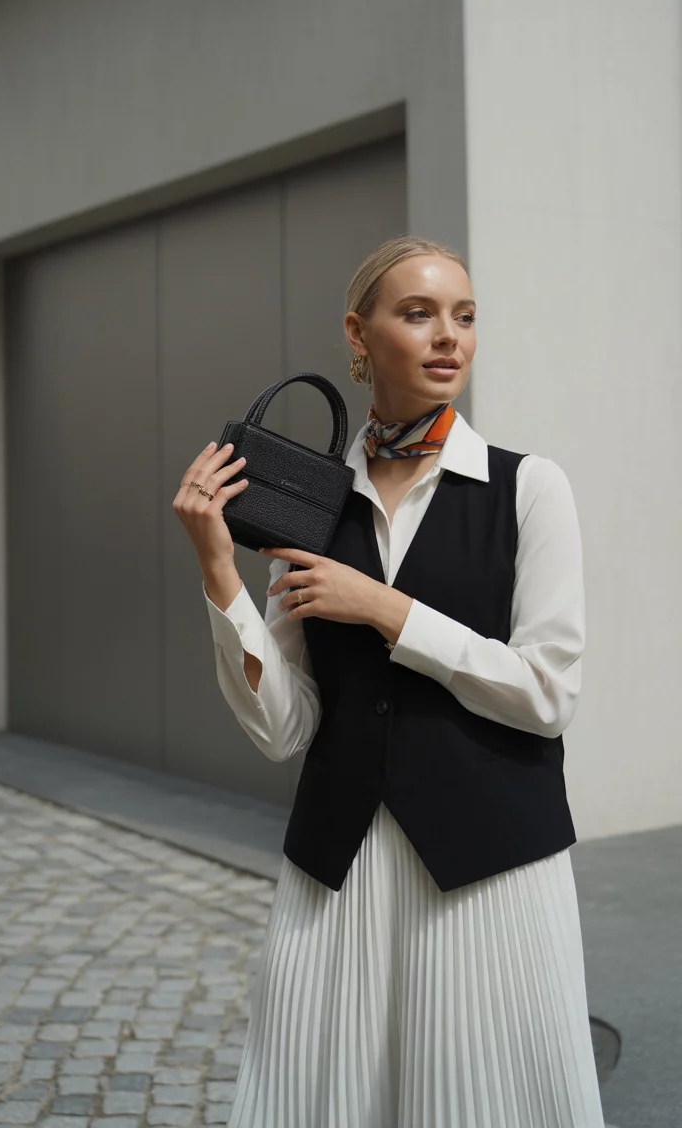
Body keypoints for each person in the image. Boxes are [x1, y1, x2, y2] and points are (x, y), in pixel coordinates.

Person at [173, 236, 605, 1128]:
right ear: (358, 336)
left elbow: (549, 692)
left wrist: (387, 610)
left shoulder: (530, 489)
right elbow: (288, 727)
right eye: (418, 313)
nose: (449, 336)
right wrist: (219, 567)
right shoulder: (314, 503)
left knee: (482, 1099)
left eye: (466, 315)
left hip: (489, 870)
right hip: (343, 869)